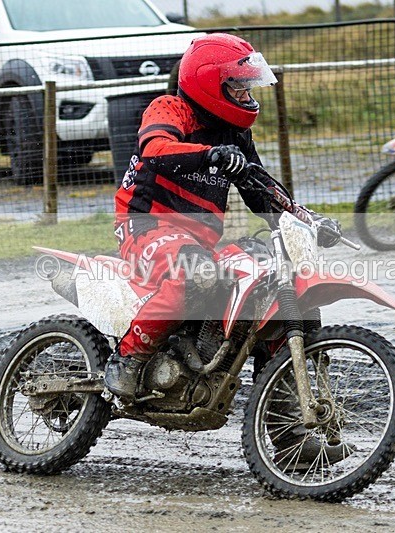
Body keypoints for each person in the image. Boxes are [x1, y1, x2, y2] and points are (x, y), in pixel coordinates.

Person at [105, 33, 340, 401]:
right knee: (196, 273)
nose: (247, 96)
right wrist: (209, 154)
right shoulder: (169, 107)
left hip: (199, 239)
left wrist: (307, 220)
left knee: (272, 282)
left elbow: (262, 190)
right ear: (209, 85)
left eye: (249, 88)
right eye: (239, 88)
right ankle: (129, 357)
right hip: (147, 228)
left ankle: (285, 419)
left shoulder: (237, 135)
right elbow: (155, 149)